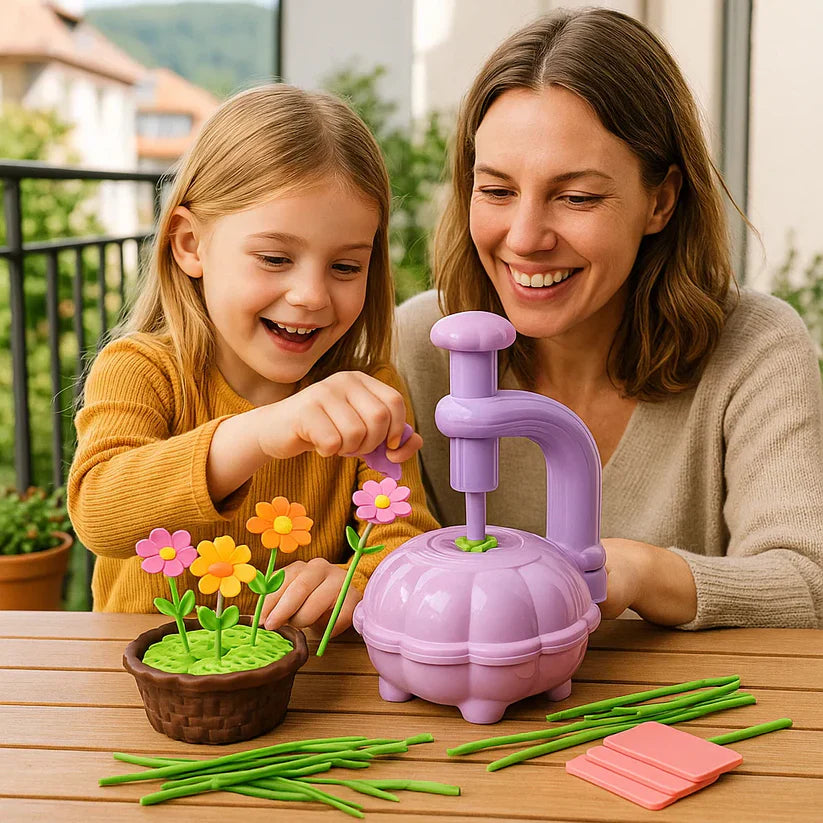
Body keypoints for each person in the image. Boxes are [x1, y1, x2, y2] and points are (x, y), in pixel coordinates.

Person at [397, 8, 823, 630]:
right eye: (496, 191)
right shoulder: (418, 346)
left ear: (661, 200)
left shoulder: (755, 348)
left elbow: (807, 586)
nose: (525, 237)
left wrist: (636, 572)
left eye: (576, 197)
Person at [68, 84, 438, 634]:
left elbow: (404, 545)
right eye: (274, 258)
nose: (311, 295)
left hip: (306, 699)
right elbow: (99, 508)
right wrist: (266, 431)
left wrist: (359, 583)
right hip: (139, 707)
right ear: (191, 244)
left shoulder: (368, 392)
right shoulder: (140, 370)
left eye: (345, 267)